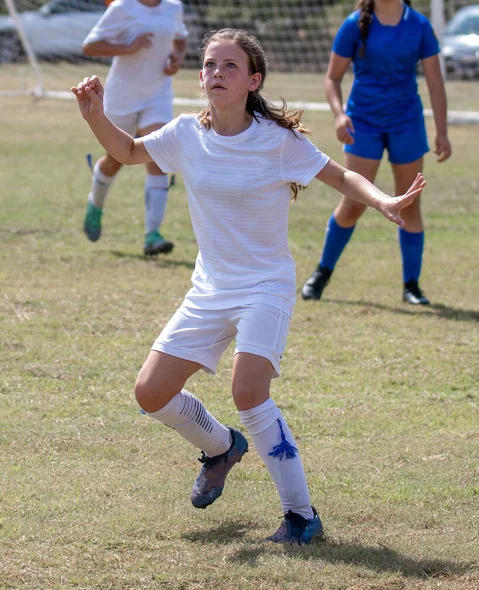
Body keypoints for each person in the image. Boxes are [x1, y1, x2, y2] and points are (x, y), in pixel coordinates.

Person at [71, 28, 426, 544]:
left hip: (265, 285)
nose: (217, 73)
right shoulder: (185, 133)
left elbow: (342, 177)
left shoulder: (278, 141)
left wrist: (384, 201)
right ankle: (220, 446)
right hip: (209, 287)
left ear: (253, 79)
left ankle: (301, 516)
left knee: (248, 389)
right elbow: (126, 151)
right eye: (211, 65)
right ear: (200, 77)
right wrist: (94, 116)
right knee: (150, 393)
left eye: (230, 66)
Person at [302, 0, 451, 305]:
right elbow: (332, 78)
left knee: (409, 205)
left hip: (406, 122)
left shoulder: (419, 25)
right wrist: (339, 115)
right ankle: (321, 273)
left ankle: (412, 286)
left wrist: (442, 131)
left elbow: (435, 82)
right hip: (364, 123)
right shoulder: (355, 24)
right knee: (354, 203)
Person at [81, 0, 189, 256]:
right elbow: (90, 46)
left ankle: (153, 235)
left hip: (158, 93)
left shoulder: (174, 6)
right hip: (122, 95)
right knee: (116, 158)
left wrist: (176, 58)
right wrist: (128, 47)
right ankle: (95, 204)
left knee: (158, 154)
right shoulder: (122, 7)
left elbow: (180, 37)